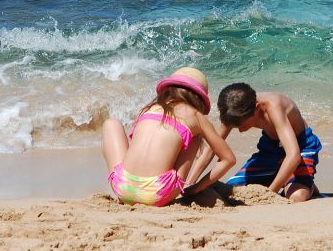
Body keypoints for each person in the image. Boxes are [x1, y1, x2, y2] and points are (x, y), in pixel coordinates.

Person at [101, 67, 236, 206]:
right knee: (194, 135)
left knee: (111, 123)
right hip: (158, 193)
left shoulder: (149, 109)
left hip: (123, 188)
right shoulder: (195, 116)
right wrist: (197, 188)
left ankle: (127, 184)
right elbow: (229, 159)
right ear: (199, 98)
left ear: (167, 90)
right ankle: (188, 184)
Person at [189, 83, 323, 202]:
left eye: (240, 124)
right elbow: (212, 148)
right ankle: (287, 178)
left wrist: (269, 193)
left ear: (257, 108)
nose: (239, 130)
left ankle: (306, 184)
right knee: (233, 188)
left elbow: (293, 156)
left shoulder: (273, 107)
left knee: (296, 196)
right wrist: (190, 183)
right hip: (270, 149)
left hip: (301, 147)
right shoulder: (233, 109)